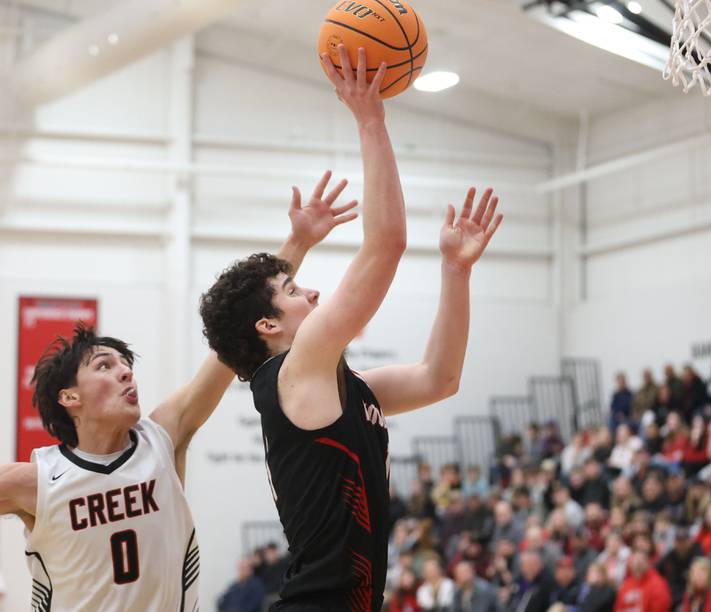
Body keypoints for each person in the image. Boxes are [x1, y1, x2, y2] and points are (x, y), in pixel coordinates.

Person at [199, 45, 502, 611]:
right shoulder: (292, 371)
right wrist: (370, 118)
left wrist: (455, 272)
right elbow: (385, 245)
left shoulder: (341, 386)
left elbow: (440, 378)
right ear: (267, 325)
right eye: (293, 291)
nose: (310, 290)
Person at [0, 182, 349, 611]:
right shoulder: (36, 479)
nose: (126, 370)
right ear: (69, 397)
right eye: (104, 366)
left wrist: (297, 243)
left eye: (124, 363)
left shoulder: (163, 436)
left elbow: (233, 340)